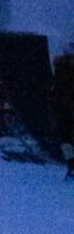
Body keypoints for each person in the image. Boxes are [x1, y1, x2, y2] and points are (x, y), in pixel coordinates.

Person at [53, 44, 74, 179]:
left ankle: (71, 165)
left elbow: (56, 92)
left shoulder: (59, 69)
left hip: (62, 110)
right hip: (67, 108)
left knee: (65, 139)